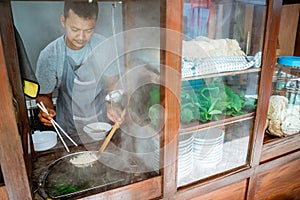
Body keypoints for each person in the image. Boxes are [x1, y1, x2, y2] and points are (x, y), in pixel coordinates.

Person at [36, 1, 123, 135]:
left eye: (88, 30)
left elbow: (113, 83)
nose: (81, 37)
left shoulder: (105, 47)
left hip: (102, 125)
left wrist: (112, 104)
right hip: (69, 128)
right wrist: (46, 110)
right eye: (75, 29)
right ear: (63, 21)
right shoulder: (50, 55)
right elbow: (43, 96)